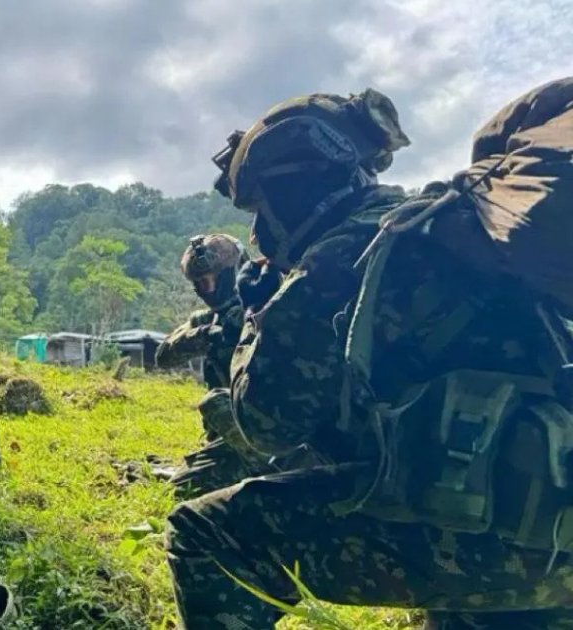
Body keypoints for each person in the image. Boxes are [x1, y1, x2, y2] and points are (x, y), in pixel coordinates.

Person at [167, 87, 573, 630]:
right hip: (550, 515)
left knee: (207, 536)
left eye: (263, 206)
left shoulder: (336, 258)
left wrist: (254, 314)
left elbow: (265, 425)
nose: (260, 229)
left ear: (290, 189)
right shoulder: (444, 225)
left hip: (498, 532)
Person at [156, 234, 273, 499]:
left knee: (214, 402)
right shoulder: (207, 320)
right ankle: (252, 471)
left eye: (208, 281)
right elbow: (163, 356)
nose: (203, 290)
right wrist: (202, 336)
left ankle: (274, 467)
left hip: (267, 428)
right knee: (181, 487)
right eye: (197, 284)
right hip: (229, 437)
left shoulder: (263, 307)